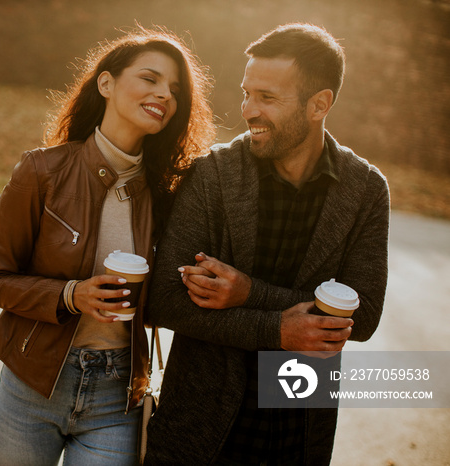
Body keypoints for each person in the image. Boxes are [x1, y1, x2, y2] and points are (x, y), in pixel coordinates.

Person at [144, 23, 390, 465]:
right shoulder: (213, 173)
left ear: (319, 105)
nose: (248, 110)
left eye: (267, 98)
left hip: (296, 432)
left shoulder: (366, 189)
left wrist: (249, 294)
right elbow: (162, 300)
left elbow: (364, 316)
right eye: (247, 93)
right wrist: (277, 328)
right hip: (196, 433)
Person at [0, 26, 215, 466]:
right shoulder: (41, 172)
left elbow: (168, 296)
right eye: (150, 78)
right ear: (106, 83)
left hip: (116, 394)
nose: (164, 93)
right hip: (31, 387)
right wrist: (72, 294)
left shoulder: (169, 195)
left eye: (174, 89)